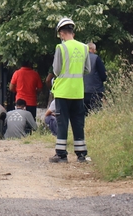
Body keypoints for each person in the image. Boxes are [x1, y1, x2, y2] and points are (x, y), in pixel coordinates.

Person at [49, 17, 91, 163]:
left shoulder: (61, 48)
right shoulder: (84, 47)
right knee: (78, 122)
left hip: (63, 91)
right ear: (72, 31)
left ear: (61, 33)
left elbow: (56, 70)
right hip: (78, 92)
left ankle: (61, 155)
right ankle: (81, 155)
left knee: (62, 123)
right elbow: (87, 69)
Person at [83, 42, 107, 116]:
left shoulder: (80, 59)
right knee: (95, 113)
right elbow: (103, 75)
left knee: (84, 114)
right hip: (95, 90)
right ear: (92, 49)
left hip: (82, 91)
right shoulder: (96, 58)